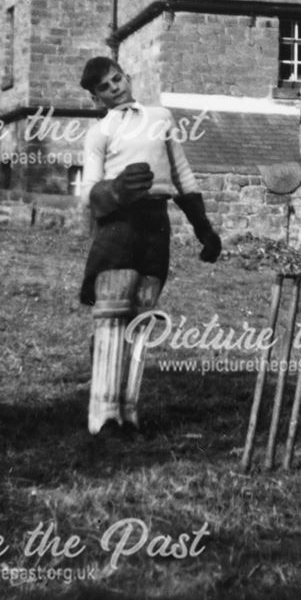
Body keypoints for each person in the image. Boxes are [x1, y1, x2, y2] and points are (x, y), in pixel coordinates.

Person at [78, 57, 221, 431]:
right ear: (96, 98)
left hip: (155, 221)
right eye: (106, 87)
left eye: (117, 79)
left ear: (127, 77)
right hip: (118, 225)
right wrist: (116, 190)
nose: (116, 88)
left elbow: (182, 172)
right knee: (112, 313)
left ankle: (129, 411)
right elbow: (89, 192)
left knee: (142, 313)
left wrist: (203, 227)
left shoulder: (161, 118)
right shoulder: (99, 133)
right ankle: (103, 414)